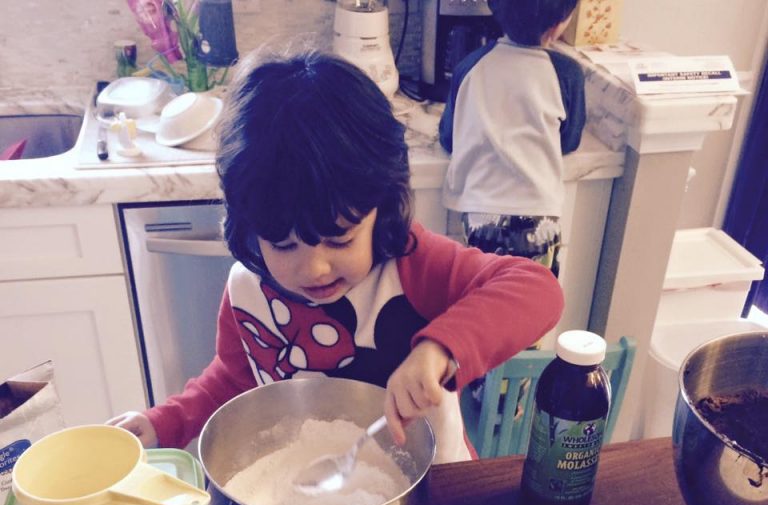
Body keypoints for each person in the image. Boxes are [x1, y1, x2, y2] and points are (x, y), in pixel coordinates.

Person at [108, 49, 564, 463]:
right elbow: (231, 379)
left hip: (432, 484)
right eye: (283, 245)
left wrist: (439, 348)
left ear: (380, 207)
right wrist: (163, 422)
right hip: (307, 488)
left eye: (341, 239)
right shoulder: (249, 290)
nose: (314, 268)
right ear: (250, 226)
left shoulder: (412, 266)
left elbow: (537, 290)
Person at [438, 0, 586, 276]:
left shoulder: (470, 66)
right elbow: (570, 140)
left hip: (481, 215)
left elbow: (449, 138)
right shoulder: (567, 73)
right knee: (535, 303)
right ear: (558, 25)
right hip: (540, 215)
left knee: (483, 300)